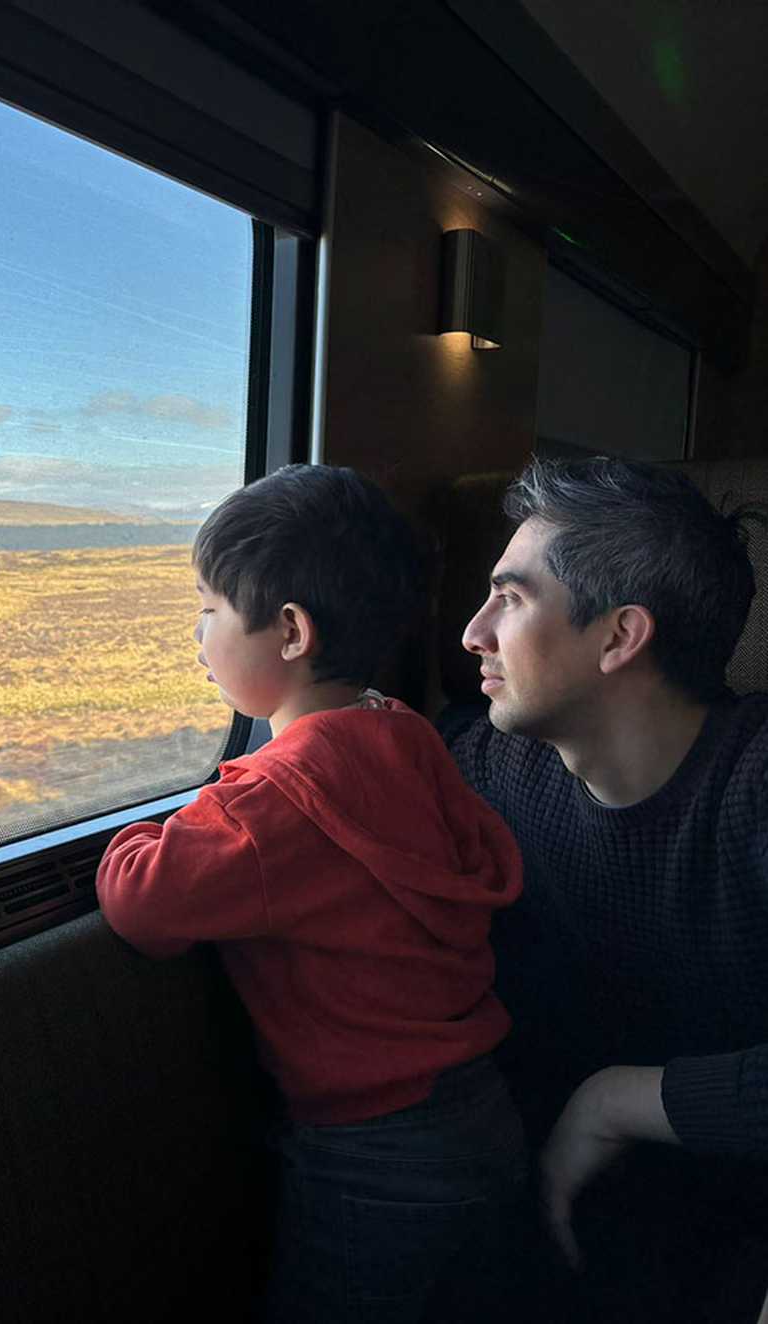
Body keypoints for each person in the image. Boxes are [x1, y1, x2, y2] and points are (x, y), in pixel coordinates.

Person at [96, 464, 528, 1324]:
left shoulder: (273, 803)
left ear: (288, 631)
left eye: (210, 609)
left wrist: (144, 831)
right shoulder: (407, 735)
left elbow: (140, 903)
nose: (197, 634)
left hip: (373, 1156)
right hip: (482, 1113)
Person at [442, 456, 768, 1321]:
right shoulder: (490, 767)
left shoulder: (756, 784)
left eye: (509, 600)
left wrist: (615, 1100)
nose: (472, 633)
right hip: (581, 1218)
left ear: (619, 637)